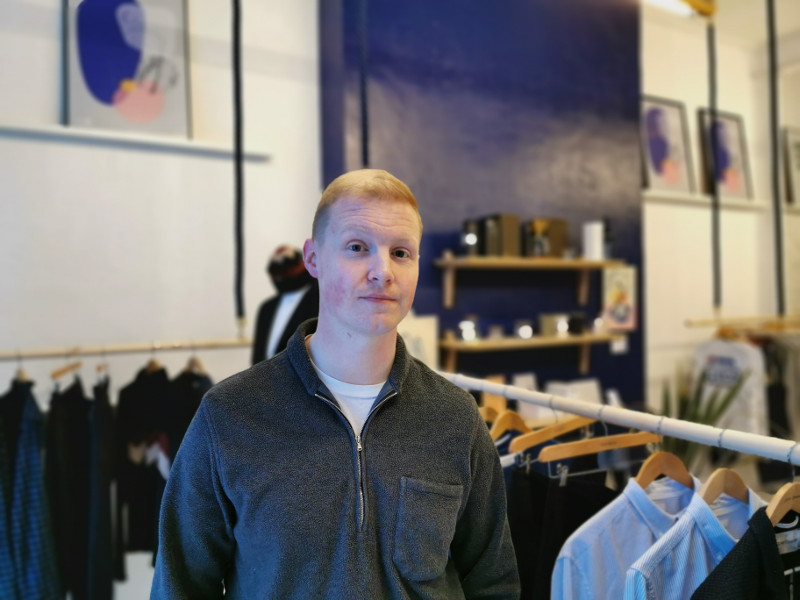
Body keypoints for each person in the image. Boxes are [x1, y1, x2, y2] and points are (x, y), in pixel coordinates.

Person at [150, 168, 520, 598]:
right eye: (357, 247)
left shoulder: (456, 418)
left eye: (401, 252)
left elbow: (493, 581)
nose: (382, 271)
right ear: (313, 258)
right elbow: (180, 584)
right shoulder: (230, 415)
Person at [251, 245, 319, 365]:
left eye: (286, 271)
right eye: (275, 273)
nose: (280, 278)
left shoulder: (320, 301)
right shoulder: (267, 308)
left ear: (302, 266)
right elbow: (258, 355)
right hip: (265, 379)